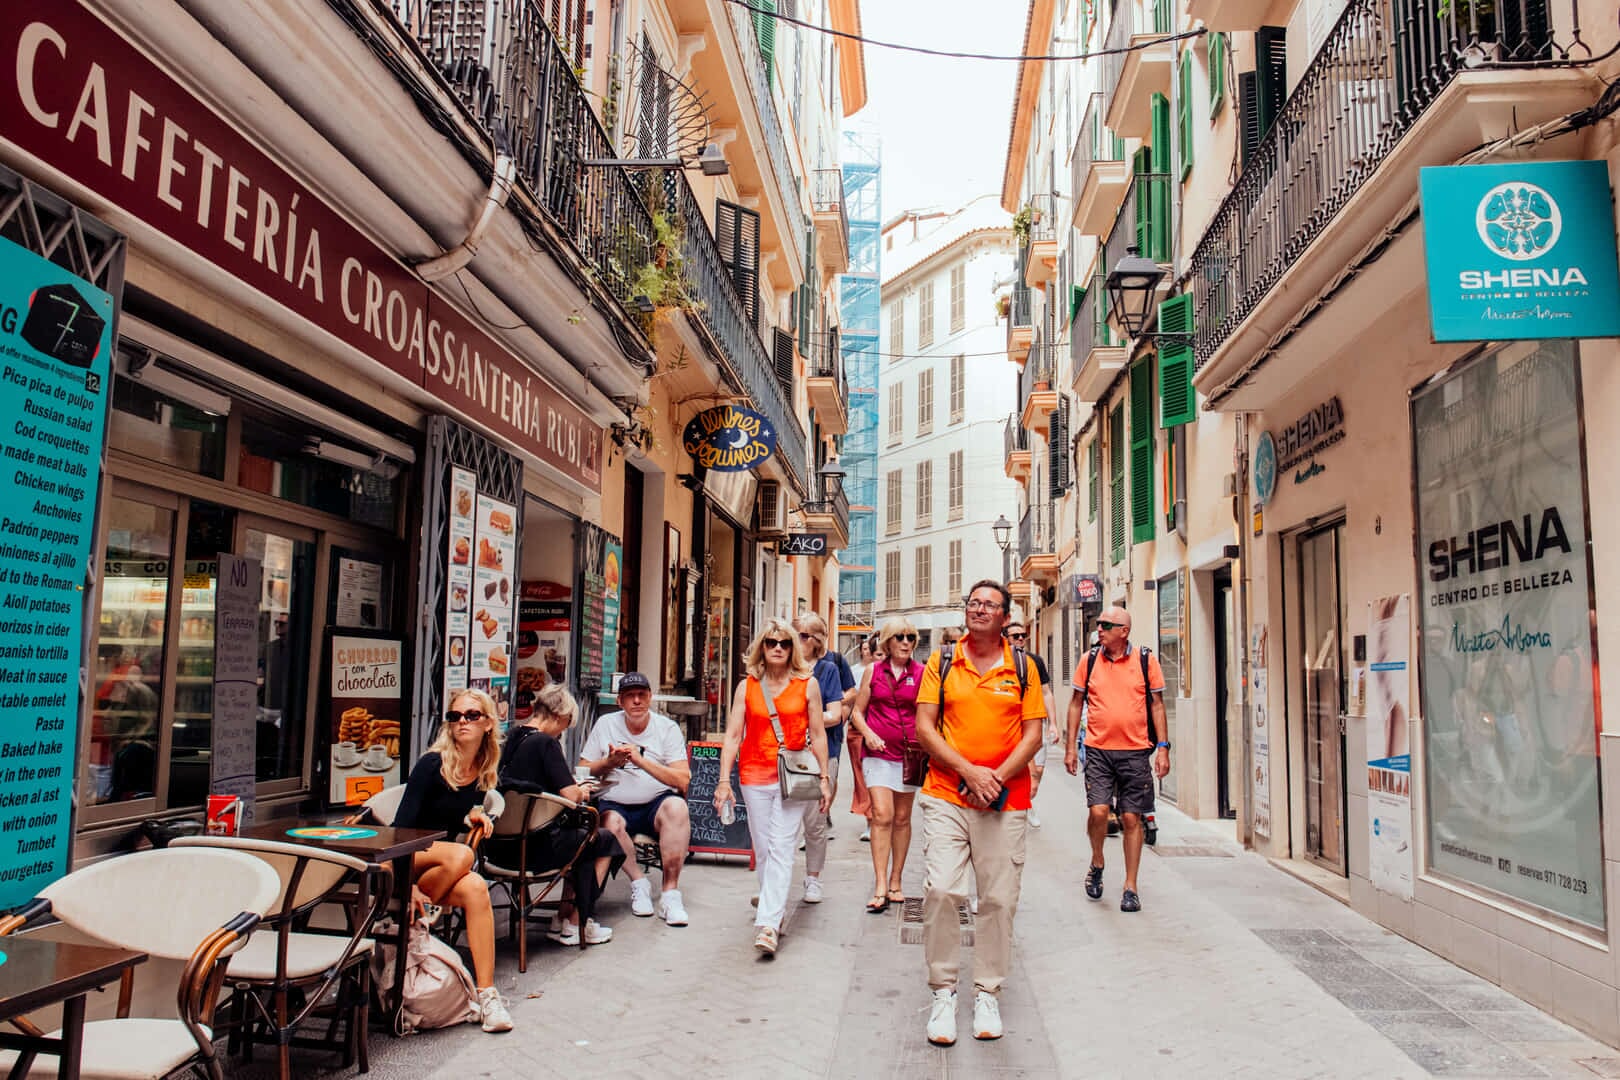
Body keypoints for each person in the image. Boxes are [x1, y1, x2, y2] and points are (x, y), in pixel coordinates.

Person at [913, 581, 1042, 1046]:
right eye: (973, 603)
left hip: (1006, 800)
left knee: (998, 899)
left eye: (990, 604)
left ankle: (987, 991)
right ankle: (943, 991)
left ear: (1006, 617)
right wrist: (969, 771)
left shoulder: (1022, 667)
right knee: (943, 889)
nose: (980, 609)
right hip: (947, 792)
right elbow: (924, 727)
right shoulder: (943, 660)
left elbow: (1033, 735)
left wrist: (994, 779)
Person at [394, 688, 511, 1033]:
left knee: (475, 886)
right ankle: (408, 903)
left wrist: (470, 816)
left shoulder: (481, 768)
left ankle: (488, 995)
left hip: (439, 865)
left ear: (488, 723)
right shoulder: (432, 764)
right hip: (400, 858)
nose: (462, 721)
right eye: (455, 716)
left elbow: (446, 810)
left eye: (472, 715)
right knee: (463, 853)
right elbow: (401, 829)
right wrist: (406, 887)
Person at [714, 618, 831, 955]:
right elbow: (733, 735)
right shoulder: (746, 686)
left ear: (793, 648)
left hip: (793, 777)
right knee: (764, 849)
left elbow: (819, 735)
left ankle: (768, 924)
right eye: (771, 642)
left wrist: (824, 778)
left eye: (784, 643)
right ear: (761, 648)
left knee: (782, 848)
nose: (778, 648)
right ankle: (772, 909)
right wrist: (724, 781)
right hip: (753, 775)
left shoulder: (808, 685)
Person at [494, 682, 620, 946]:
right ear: (558, 716)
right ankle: (578, 922)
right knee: (601, 840)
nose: (564, 731)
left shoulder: (514, 737)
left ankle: (562, 917)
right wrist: (583, 790)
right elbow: (571, 795)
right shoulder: (545, 744)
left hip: (500, 848)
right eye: (565, 724)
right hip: (535, 848)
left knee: (579, 839)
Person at [1063, 605, 1170, 913]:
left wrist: (1162, 747)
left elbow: (1158, 706)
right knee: (1098, 812)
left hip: (1136, 752)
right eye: (1099, 624)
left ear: (1123, 631)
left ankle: (1130, 886)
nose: (1099, 629)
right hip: (1098, 750)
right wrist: (1071, 747)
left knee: (1131, 818)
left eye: (1106, 625)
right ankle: (1097, 860)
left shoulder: (1146, 660)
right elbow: (1075, 704)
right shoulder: (1090, 659)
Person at [579, 672, 691, 927]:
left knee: (677, 808)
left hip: (655, 802)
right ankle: (639, 882)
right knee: (609, 822)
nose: (637, 701)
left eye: (642, 695)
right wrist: (609, 762)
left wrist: (640, 760)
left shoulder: (666, 728)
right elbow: (583, 768)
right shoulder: (606, 724)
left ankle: (670, 894)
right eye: (630, 696)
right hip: (615, 803)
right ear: (620, 701)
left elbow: (682, 779)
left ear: (650, 698)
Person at [849, 617, 923, 912]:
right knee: (882, 814)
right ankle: (880, 883)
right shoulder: (873, 671)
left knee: (902, 818)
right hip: (878, 754)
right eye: (900, 637)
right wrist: (868, 735)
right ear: (888, 642)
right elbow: (857, 712)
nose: (906, 643)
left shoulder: (921, 673)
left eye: (911, 638)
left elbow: (928, 713)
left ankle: (896, 881)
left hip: (909, 756)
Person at [794, 612, 855, 903]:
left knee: (814, 819)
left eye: (803, 635)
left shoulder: (827, 669)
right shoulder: (784, 667)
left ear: (816, 640)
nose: (796, 640)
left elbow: (837, 712)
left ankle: (813, 878)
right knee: (781, 821)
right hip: (786, 752)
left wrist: (809, 719)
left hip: (821, 751)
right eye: (796, 634)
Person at [1004, 621, 1058, 829]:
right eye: (1014, 635)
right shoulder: (1001, 661)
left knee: (1039, 771)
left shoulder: (1035, 661)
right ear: (1006, 638)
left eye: (1022, 635)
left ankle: (1027, 800)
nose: (1019, 639)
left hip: (1036, 722)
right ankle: (1024, 805)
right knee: (1025, 767)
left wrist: (1053, 723)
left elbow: (1046, 692)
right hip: (1013, 725)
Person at [848, 636, 878, 842]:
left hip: (882, 732)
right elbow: (851, 702)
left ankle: (880, 819)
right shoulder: (856, 672)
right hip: (859, 729)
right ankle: (870, 820)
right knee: (863, 778)